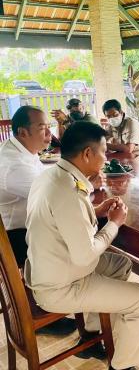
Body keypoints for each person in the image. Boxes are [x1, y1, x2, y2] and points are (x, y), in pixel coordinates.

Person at [24, 121, 139, 370]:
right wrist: (114, 223)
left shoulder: (52, 175)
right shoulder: (68, 190)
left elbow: (63, 218)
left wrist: (97, 209)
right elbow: (85, 256)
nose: (106, 158)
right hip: (60, 287)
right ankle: (122, 366)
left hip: (50, 269)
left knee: (119, 264)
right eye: (103, 151)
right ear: (87, 153)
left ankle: (92, 335)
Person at [0, 105, 77, 335]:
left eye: (48, 126)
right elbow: (55, 195)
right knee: (78, 242)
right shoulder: (13, 165)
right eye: (43, 127)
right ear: (23, 132)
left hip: (23, 225)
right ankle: (48, 304)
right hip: (15, 238)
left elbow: (46, 178)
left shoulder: (22, 150)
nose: (49, 133)